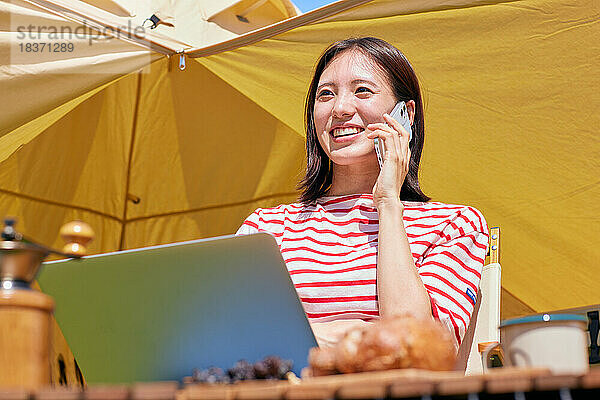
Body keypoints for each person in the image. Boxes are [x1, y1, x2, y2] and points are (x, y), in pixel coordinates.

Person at [236, 37, 488, 349]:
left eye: (362, 91)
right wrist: (355, 333)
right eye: (325, 94)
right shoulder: (265, 229)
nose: (340, 108)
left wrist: (388, 203)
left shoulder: (453, 225)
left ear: (405, 114)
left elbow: (415, 345)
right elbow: (233, 339)